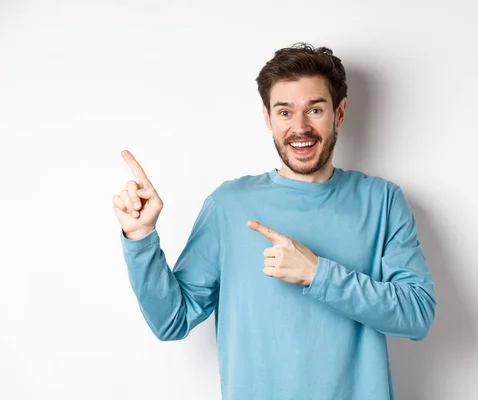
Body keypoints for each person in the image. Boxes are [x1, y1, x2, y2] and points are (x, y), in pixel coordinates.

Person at [113, 42, 436, 400]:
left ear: (339, 113)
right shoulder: (229, 205)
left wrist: (317, 274)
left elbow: (418, 314)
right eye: (285, 112)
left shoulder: (382, 201)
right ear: (267, 117)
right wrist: (141, 236)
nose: (300, 128)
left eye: (315, 110)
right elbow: (171, 321)